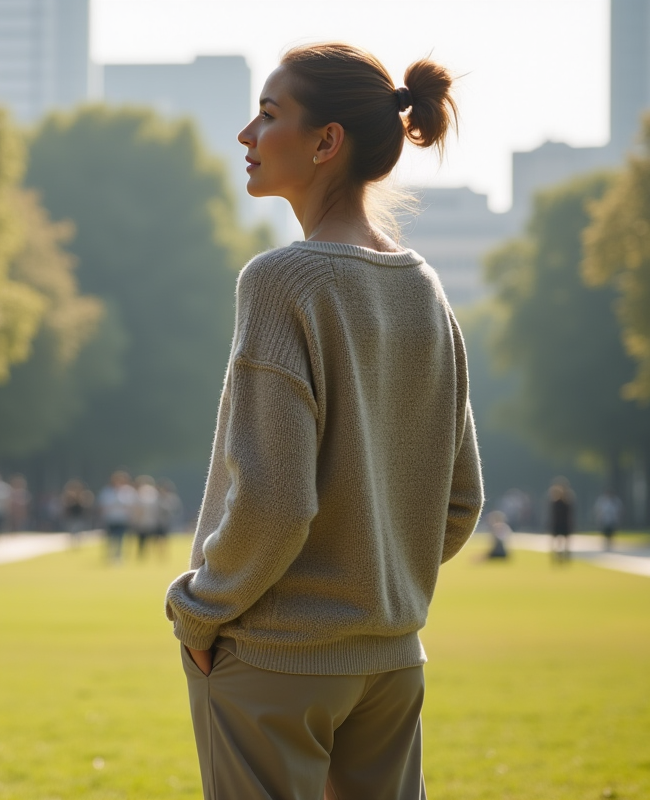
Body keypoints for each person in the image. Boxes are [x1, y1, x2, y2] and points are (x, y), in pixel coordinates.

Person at [163, 44, 482, 800]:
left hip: (275, 659)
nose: (246, 134)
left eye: (269, 115)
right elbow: (461, 503)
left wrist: (198, 610)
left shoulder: (282, 280)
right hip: (393, 661)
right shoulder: (425, 289)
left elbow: (273, 501)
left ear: (325, 141)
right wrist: (375, 596)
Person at [97, 471, 135, 563]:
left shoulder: (128, 491)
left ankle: (118, 556)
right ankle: (109, 556)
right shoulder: (107, 491)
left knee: (121, 539)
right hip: (110, 519)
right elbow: (102, 505)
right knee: (110, 539)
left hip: (122, 519)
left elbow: (132, 506)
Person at [132, 475, 160, 559]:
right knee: (147, 538)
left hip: (143, 520)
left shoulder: (142, 493)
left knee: (142, 538)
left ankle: (142, 553)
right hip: (150, 519)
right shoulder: (153, 493)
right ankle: (146, 553)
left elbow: (138, 508)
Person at [549, 479, 575, 564]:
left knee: (565, 541)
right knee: (557, 541)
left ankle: (565, 556)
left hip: (564, 523)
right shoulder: (555, 502)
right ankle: (557, 556)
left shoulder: (567, 502)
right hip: (557, 523)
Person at [60, 480, 93, 546]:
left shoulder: (82, 496)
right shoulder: (69, 497)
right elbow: (66, 507)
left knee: (78, 530)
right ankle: (73, 543)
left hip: (79, 516)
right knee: (72, 530)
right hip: (72, 517)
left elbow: (86, 506)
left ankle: (77, 542)